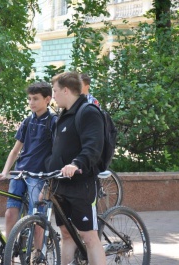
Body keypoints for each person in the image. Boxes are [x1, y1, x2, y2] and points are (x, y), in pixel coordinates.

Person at [0, 82, 57, 265]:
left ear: (47, 100)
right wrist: (5, 172)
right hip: (20, 173)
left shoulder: (53, 121)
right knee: (10, 213)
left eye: (36, 99)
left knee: (37, 218)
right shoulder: (28, 121)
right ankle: (8, 255)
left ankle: (37, 255)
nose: (31, 102)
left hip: (38, 175)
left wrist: (50, 177)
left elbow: (58, 152)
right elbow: (15, 150)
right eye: (30, 99)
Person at [48, 71, 106, 265]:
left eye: (55, 91)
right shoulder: (62, 115)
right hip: (61, 184)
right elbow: (57, 151)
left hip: (82, 184)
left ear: (66, 90)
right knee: (66, 233)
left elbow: (93, 146)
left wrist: (76, 164)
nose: (53, 96)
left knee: (89, 236)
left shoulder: (88, 111)